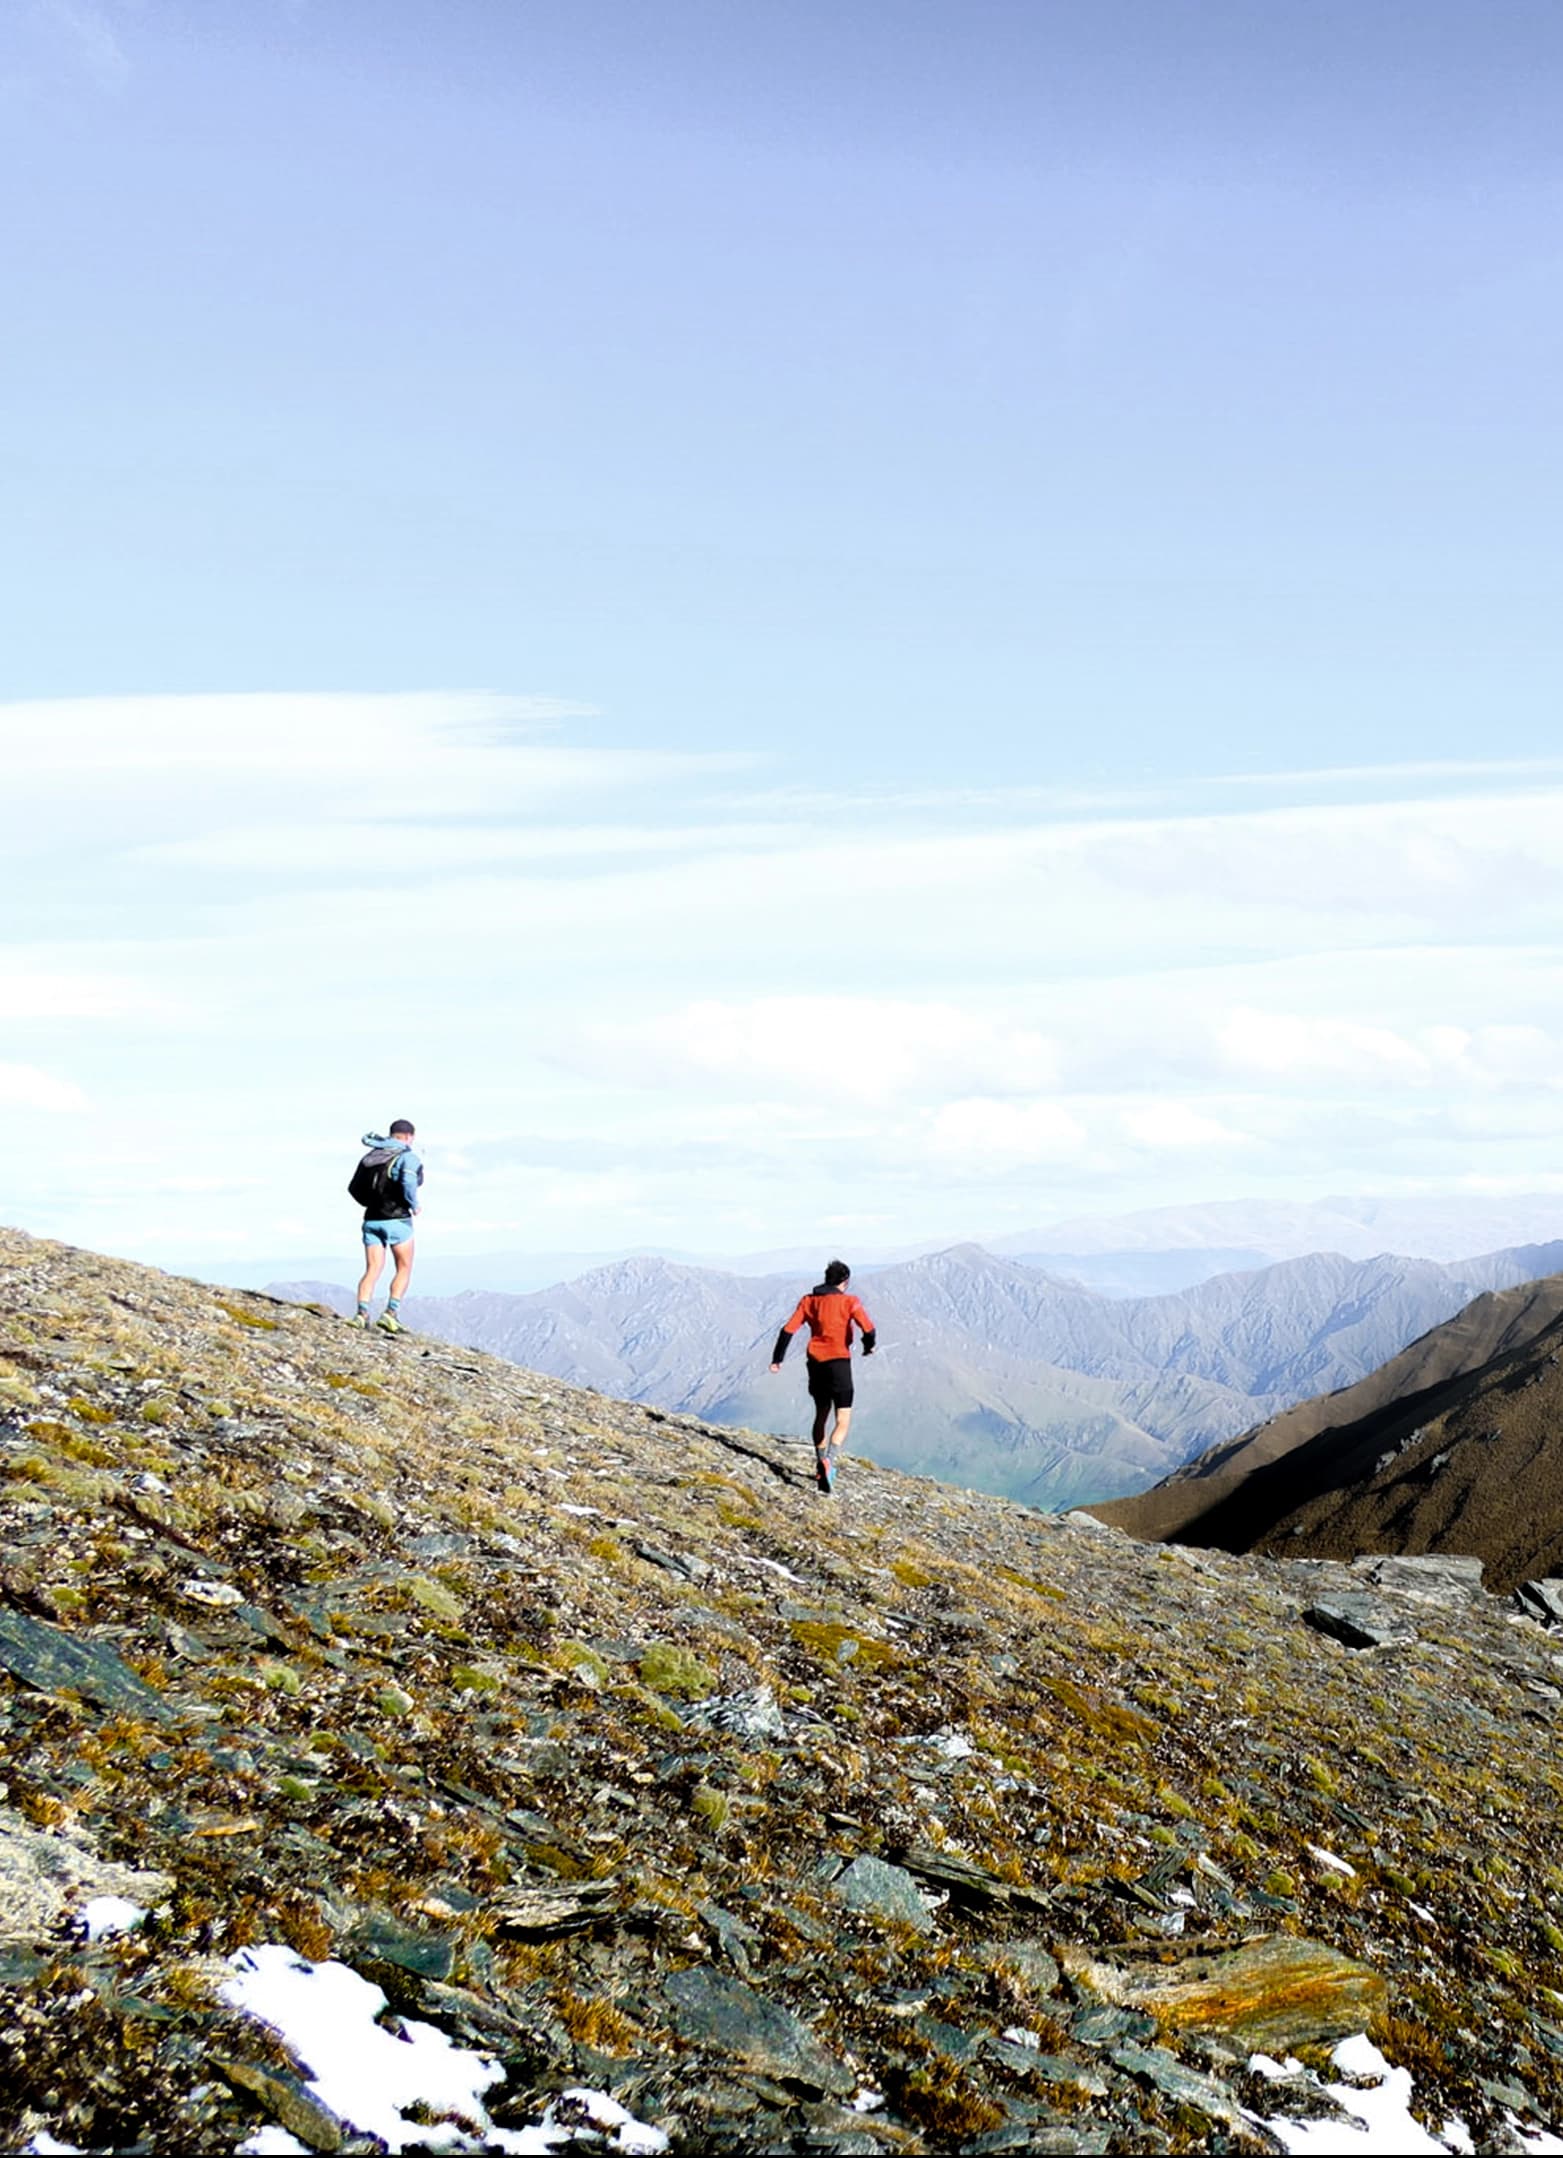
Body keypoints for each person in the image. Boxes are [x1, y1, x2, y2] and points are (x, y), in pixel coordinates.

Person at [770, 1259, 876, 1493]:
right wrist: (869, 1347)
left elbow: (787, 1330)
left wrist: (777, 1359)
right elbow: (868, 1329)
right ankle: (830, 1460)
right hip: (839, 1363)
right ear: (845, 1281)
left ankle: (820, 1462)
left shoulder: (809, 1301)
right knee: (843, 1419)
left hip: (816, 1363)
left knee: (821, 1414)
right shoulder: (850, 1301)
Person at [352, 1121, 424, 1332]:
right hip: (397, 1220)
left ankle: (361, 1314)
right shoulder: (407, 1157)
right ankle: (390, 1314)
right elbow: (409, 1183)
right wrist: (414, 1205)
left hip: (371, 1220)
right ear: (409, 1137)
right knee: (404, 1267)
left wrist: (370, 1204)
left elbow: (354, 1188)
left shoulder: (370, 1157)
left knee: (372, 1269)